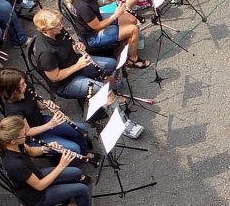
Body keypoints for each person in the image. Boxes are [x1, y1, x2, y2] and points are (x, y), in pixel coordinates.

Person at [31, 9, 145, 140]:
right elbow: (54, 77)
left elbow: (68, 44)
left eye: (60, 22)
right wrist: (78, 66)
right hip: (66, 83)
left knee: (110, 64)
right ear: (44, 30)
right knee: (104, 90)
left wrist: (76, 46)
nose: (61, 26)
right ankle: (123, 124)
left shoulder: (57, 30)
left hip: (76, 63)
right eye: (56, 25)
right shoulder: (45, 52)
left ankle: (102, 93)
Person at [0, 116, 111, 206]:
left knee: (76, 172)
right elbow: (40, 186)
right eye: (23, 134)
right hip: (36, 196)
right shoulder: (15, 164)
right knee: (82, 189)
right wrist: (60, 166)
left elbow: (31, 151)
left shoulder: (15, 144)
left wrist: (47, 148)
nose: (26, 134)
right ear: (13, 141)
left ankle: (65, 201)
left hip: (36, 176)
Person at [0, 68, 92, 157]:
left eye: (24, 82)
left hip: (41, 121)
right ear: (13, 90)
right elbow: (27, 132)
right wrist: (51, 124)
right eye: (22, 84)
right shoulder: (13, 110)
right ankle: (72, 167)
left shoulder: (26, 87)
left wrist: (46, 104)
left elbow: (38, 104)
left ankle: (84, 154)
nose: (26, 85)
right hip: (34, 136)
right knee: (73, 148)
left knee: (80, 128)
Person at [61, 0, 149, 68]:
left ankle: (127, 42)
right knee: (133, 29)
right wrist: (115, 15)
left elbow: (93, 3)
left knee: (132, 19)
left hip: (98, 19)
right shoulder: (82, 6)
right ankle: (133, 59)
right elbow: (97, 27)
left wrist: (105, 2)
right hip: (93, 36)